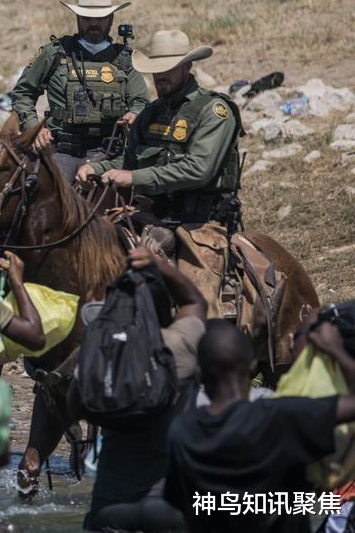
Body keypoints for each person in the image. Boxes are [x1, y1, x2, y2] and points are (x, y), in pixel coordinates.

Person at [77, 29, 242, 310]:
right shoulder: (150, 114)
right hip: (152, 215)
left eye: (168, 69)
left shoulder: (214, 111)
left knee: (199, 305)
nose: (160, 76)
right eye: (156, 70)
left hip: (200, 223)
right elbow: (130, 164)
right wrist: (98, 167)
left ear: (188, 67)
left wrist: (133, 178)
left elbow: (198, 169)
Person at [164, 320, 355, 533]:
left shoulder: (181, 431)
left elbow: (179, 501)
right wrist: (335, 350)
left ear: (200, 374)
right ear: (253, 367)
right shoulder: (282, 416)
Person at [83, 246, 207, 533]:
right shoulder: (180, 346)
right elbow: (196, 301)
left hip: (111, 502)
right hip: (172, 505)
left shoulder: (101, 354)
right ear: (166, 312)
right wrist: (158, 264)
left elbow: (75, 406)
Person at [10, 0, 149, 180]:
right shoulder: (54, 53)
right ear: (77, 18)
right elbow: (23, 93)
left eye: (100, 19)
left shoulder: (125, 58)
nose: (93, 24)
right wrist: (34, 128)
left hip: (110, 152)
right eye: (86, 19)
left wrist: (134, 114)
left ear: (111, 18)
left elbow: (141, 101)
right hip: (62, 151)